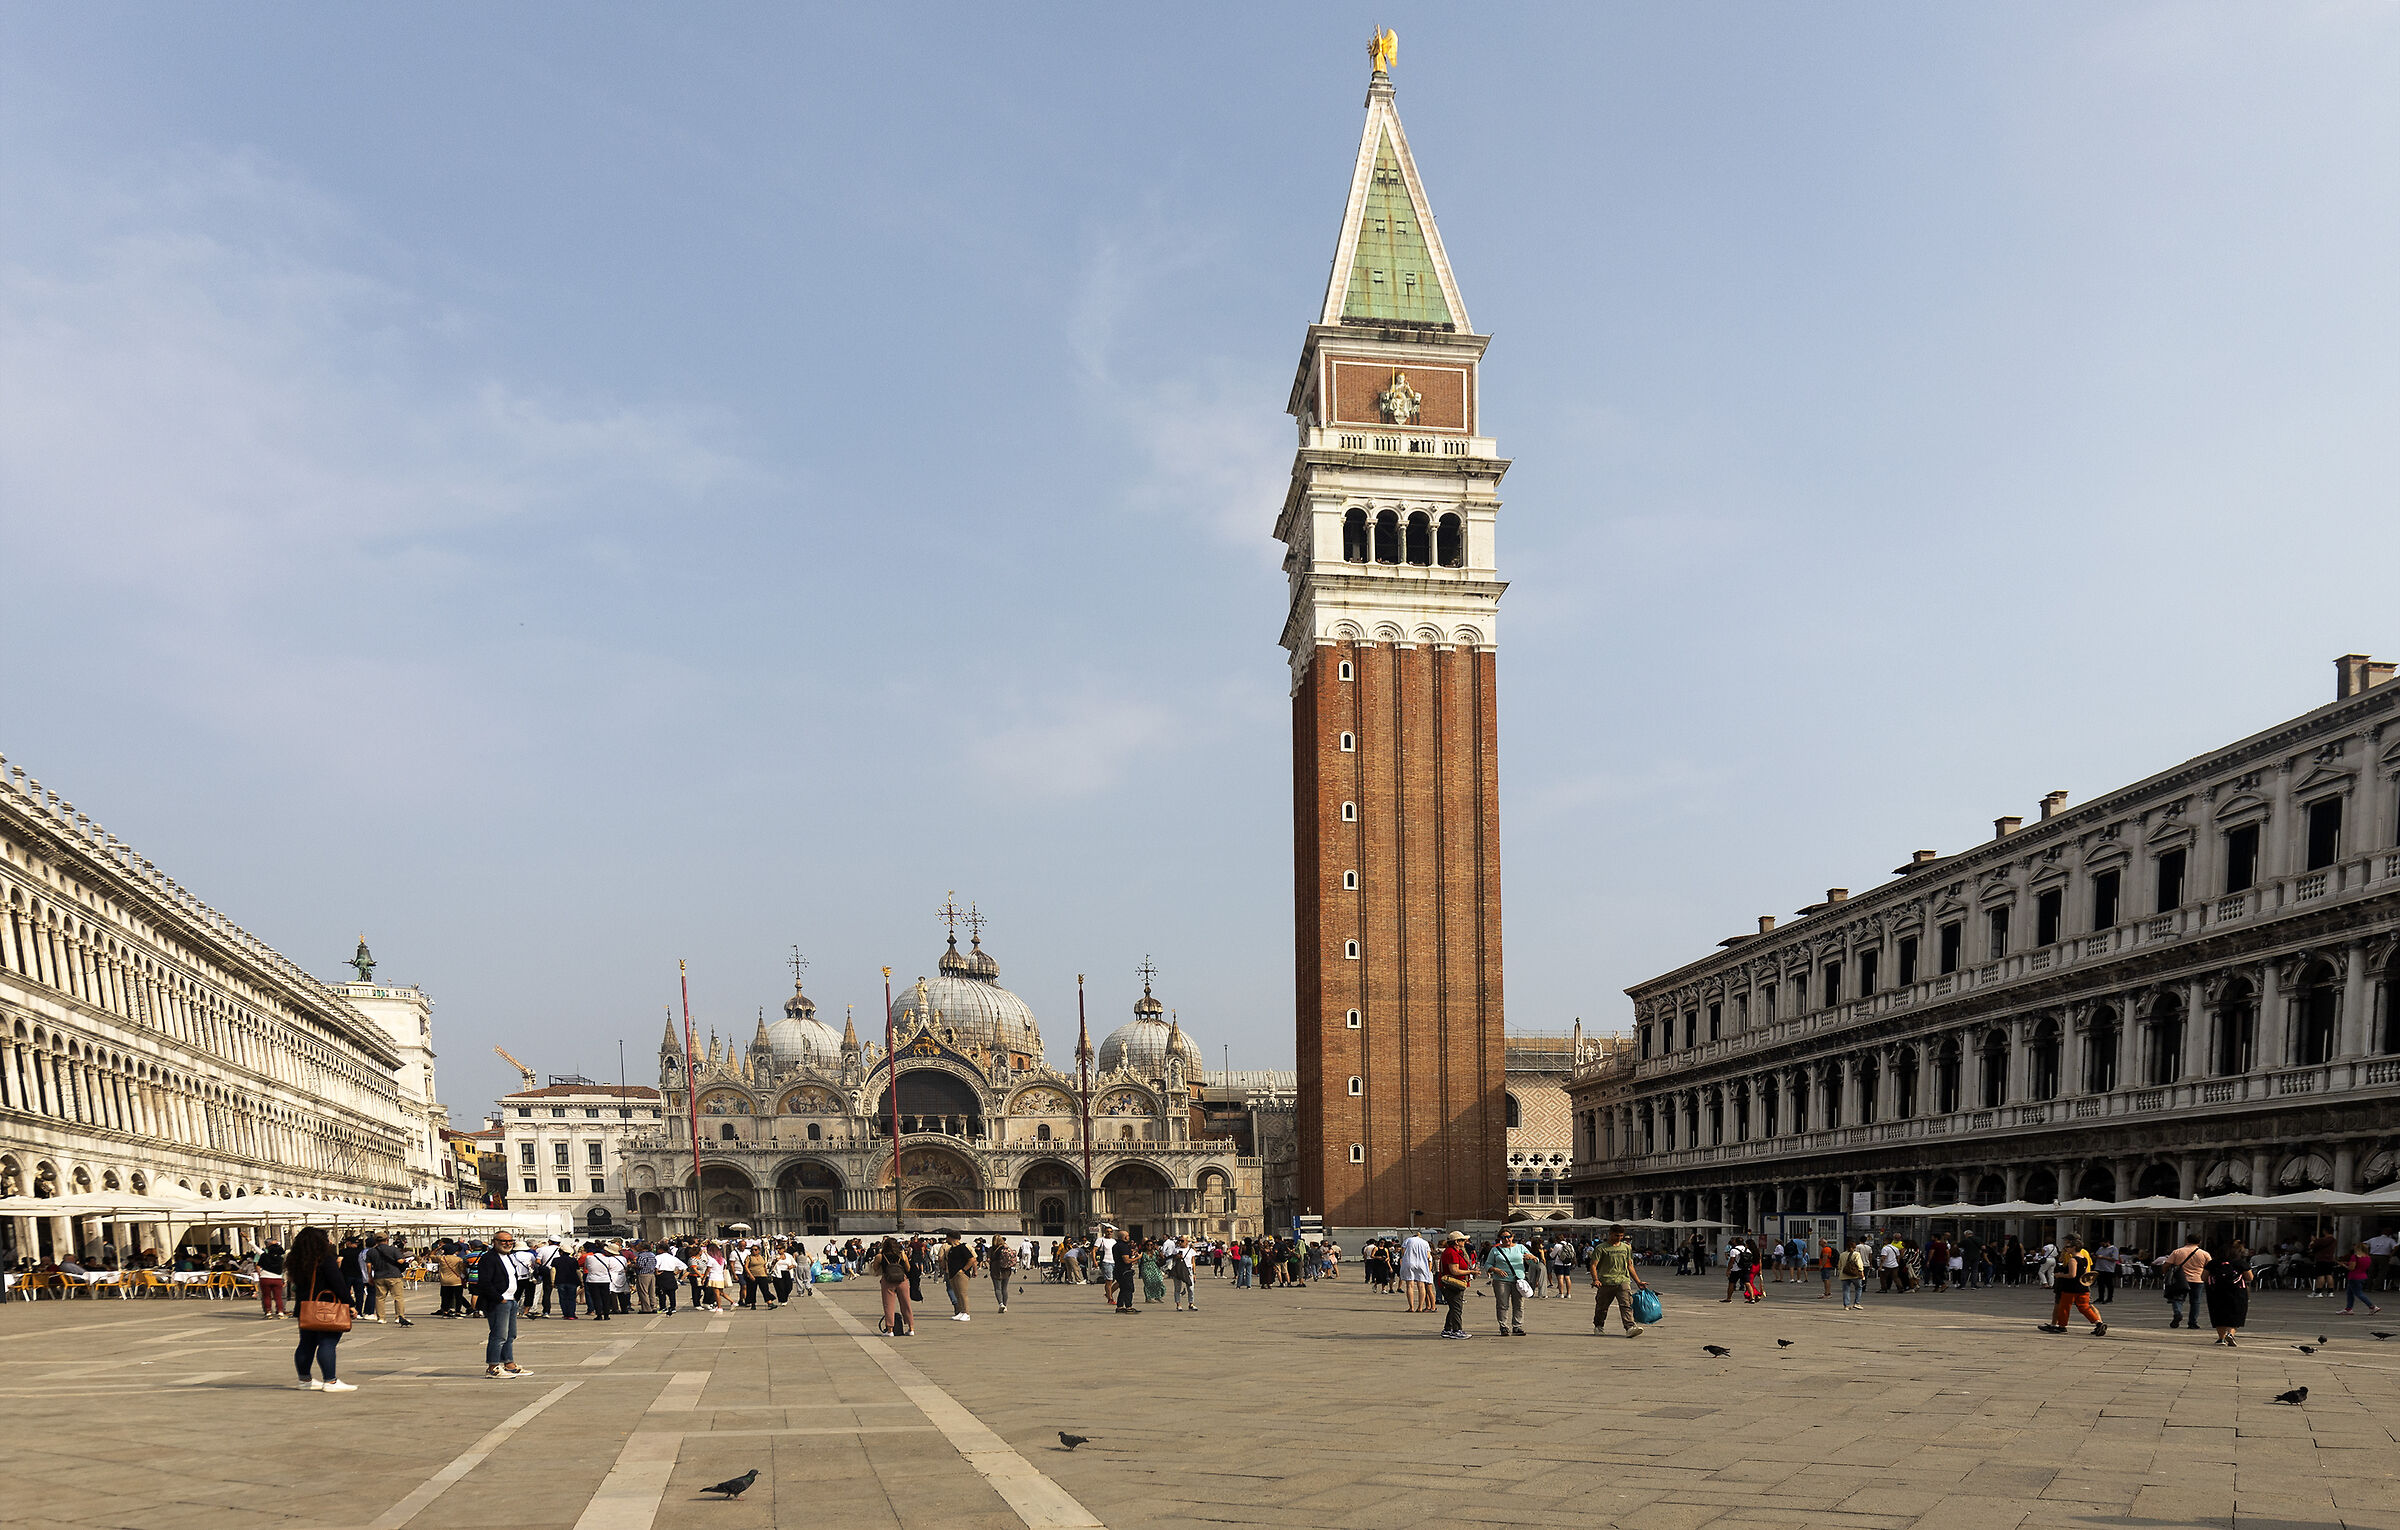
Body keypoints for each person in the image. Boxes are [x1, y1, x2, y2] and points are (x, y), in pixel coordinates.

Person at [285, 1226, 356, 1393]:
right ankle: (330, 1381)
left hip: (304, 1307)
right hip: (326, 1306)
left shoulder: (295, 1259)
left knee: (306, 1343)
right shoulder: (324, 1258)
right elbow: (337, 1282)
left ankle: (304, 1379)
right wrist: (350, 1303)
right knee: (328, 1342)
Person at [473, 1230, 535, 1379]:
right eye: (503, 1241)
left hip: (510, 1300)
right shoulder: (489, 1258)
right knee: (498, 1335)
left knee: (510, 1335)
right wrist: (498, 1298)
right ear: (494, 1242)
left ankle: (509, 1364)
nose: (507, 1244)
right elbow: (485, 1282)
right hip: (499, 1302)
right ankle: (493, 1367)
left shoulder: (508, 1257)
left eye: (510, 1241)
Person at [2039, 1234, 2106, 1336]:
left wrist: (2060, 1275)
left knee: (2064, 1307)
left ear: (2074, 1247)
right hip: (2083, 1286)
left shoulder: (2073, 1259)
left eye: (2068, 1247)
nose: (2066, 1249)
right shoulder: (2084, 1258)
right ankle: (2098, 1323)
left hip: (2071, 1287)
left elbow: (2072, 1275)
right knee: (2084, 1307)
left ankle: (2062, 1326)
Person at [1586, 1225, 1647, 1338]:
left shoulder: (1626, 1248)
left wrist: (1638, 1282)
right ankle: (1599, 1326)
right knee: (1602, 1307)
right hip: (1606, 1282)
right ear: (1610, 1234)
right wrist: (1595, 1280)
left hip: (1623, 1281)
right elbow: (1593, 1265)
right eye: (1616, 1235)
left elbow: (1630, 1265)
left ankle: (1630, 1327)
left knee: (1626, 1305)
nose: (1619, 1238)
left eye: (1621, 1236)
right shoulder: (1601, 1248)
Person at [1483, 1227, 1532, 1337]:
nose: (1506, 1239)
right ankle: (1503, 1326)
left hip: (1518, 1281)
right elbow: (1487, 1265)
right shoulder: (1495, 1250)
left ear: (1513, 1237)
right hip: (1501, 1281)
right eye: (1503, 1237)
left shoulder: (1520, 1247)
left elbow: (1534, 1262)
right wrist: (1495, 1269)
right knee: (1502, 1304)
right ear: (1500, 1238)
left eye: (1508, 1237)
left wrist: (1532, 1258)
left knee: (1519, 1304)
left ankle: (1517, 1326)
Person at [2203, 1239, 2252, 1346]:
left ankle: (2221, 1338)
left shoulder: (2213, 1263)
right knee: (2235, 1313)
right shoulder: (2240, 1263)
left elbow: (2203, 1277)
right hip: (2237, 1292)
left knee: (2218, 1314)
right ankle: (2231, 1334)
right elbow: (2250, 1277)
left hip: (2216, 1292)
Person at [2155, 1236, 2210, 1330]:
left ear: (2187, 1240)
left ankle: (2178, 1313)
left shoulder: (2177, 1252)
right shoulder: (2204, 1254)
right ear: (2200, 1242)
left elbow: (2166, 1265)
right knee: (2195, 1302)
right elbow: (2210, 1266)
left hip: (2181, 1280)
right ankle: (2193, 1322)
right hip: (2198, 1279)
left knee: (2177, 1298)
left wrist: (2165, 1274)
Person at [1435, 1231, 1477, 1338]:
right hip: (1452, 1284)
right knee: (1457, 1307)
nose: (1465, 1242)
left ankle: (1448, 1329)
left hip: (1454, 1283)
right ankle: (1456, 1330)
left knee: (1454, 1307)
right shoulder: (1451, 1253)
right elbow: (1455, 1271)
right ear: (1457, 1242)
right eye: (1462, 1240)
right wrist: (1471, 1272)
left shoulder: (1456, 1251)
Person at [365, 1235, 413, 1328]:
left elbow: (368, 1265)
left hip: (379, 1276)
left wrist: (370, 1277)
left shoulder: (371, 1251)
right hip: (394, 1275)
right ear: (387, 1240)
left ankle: (381, 1318)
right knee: (398, 1297)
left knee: (380, 1297)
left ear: (376, 1241)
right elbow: (400, 1261)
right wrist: (403, 1260)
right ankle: (399, 1317)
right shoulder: (393, 1249)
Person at [871, 1237, 914, 1336]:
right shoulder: (902, 1255)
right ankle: (911, 1328)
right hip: (902, 1281)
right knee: (906, 1304)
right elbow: (908, 1268)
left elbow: (875, 1268)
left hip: (888, 1280)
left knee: (888, 1305)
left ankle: (890, 1330)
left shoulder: (880, 1256)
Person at [941, 1230, 977, 1321]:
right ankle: (961, 1311)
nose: (946, 1239)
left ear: (951, 1237)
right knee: (957, 1294)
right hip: (952, 1273)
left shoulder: (962, 1247)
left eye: (947, 1237)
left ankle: (966, 1313)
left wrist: (963, 1270)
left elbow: (972, 1259)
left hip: (961, 1274)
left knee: (962, 1293)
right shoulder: (951, 1248)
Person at [2341, 1243, 2382, 1316]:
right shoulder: (2368, 1258)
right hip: (2363, 1276)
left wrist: (2344, 1265)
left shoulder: (2354, 1257)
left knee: (2358, 1293)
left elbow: (2351, 1268)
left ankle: (2372, 1306)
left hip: (2354, 1277)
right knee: (2350, 1293)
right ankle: (2348, 1308)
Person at [1399, 1229, 1434, 1313]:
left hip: (1409, 1262)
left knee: (1410, 1285)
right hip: (1422, 1264)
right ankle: (1420, 1307)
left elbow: (1403, 1252)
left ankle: (1411, 1307)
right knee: (1421, 1286)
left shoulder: (1407, 1240)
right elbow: (1428, 1256)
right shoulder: (1425, 1243)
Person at [256, 1240, 287, 1320]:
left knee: (266, 1296)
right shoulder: (280, 1259)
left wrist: (248, 1240)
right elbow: (283, 1270)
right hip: (277, 1279)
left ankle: (268, 1313)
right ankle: (280, 1312)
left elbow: (256, 1248)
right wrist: (285, 1280)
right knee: (278, 1297)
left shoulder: (264, 1256)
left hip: (265, 1278)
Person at [988, 1235, 1015, 1314]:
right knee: (1004, 1288)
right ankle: (1005, 1305)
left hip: (995, 1269)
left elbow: (988, 1259)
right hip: (1006, 1270)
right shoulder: (1006, 1248)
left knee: (997, 1288)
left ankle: (1001, 1304)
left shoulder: (991, 1249)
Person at [1840, 1240, 1870, 1310]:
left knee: (1846, 1290)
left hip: (1844, 1274)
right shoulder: (1856, 1254)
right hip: (1854, 1274)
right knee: (1859, 1288)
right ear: (1854, 1247)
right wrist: (1862, 1272)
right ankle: (1856, 1303)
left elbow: (1839, 1265)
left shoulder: (1842, 1254)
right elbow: (1859, 1264)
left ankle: (1846, 1305)